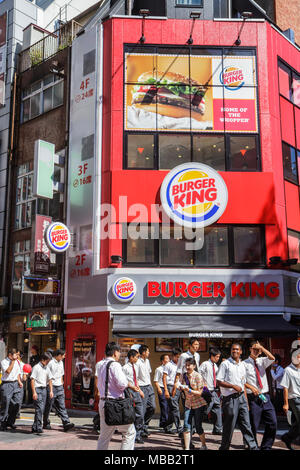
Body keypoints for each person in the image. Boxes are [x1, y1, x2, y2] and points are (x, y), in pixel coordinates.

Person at [216, 343, 258, 450]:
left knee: (246, 424)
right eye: (233, 349)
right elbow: (219, 381)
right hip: (230, 399)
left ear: (241, 352)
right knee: (229, 426)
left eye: (236, 349)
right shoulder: (225, 364)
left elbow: (243, 384)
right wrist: (232, 386)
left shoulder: (242, 365)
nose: (234, 351)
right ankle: (224, 447)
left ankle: (253, 447)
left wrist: (246, 402)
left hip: (241, 398)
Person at [96, 342, 136, 450]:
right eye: (119, 352)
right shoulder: (115, 365)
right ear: (115, 352)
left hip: (104, 403)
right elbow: (122, 384)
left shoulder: (100, 364)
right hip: (116, 405)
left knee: (104, 437)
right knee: (129, 433)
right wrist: (129, 383)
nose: (119, 355)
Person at [244, 340, 277, 450]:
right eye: (254, 349)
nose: (256, 351)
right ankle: (252, 446)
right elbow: (241, 381)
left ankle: (266, 446)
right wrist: (251, 387)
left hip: (265, 396)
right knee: (254, 424)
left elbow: (272, 358)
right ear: (250, 349)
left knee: (273, 422)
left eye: (258, 350)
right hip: (253, 398)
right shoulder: (244, 364)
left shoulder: (262, 361)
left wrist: (262, 348)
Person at [179, 357, 207, 450]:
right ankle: (187, 448)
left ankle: (203, 445)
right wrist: (180, 387)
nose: (187, 367)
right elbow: (179, 385)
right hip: (188, 404)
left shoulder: (198, 376)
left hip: (198, 404)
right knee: (186, 426)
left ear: (194, 366)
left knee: (198, 427)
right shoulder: (183, 376)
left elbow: (200, 392)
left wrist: (189, 390)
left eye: (189, 365)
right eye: (186, 365)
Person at [43, 349, 74, 432]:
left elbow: (61, 375)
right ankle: (45, 422)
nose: (64, 357)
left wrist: (61, 384)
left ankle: (66, 423)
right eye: (63, 355)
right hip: (51, 386)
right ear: (59, 355)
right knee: (48, 406)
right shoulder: (50, 363)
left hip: (59, 387)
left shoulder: (61, 363)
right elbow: (47, 376)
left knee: (62, 406)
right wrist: (50, 389)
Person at [122, 349, 145, 443]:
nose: (137, 358)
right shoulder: (125, 368)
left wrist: (140, 391)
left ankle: (138, 434)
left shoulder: (135, 367)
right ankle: (129, 434)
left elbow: (136, 380)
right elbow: (123, 382)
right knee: (130, 414)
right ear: (131, 357)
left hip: (136, 391)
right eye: (136, 357)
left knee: (140, 413)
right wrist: (129, 393)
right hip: (129, 392)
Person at [199, 347, 223, 435]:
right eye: (217, 357)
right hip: (206, 390)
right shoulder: (205, 364)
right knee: (205, 410)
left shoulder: (215, 366)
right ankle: (194, 427)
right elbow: (199, 375)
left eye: (219, 357)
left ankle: (217, 429)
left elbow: (217, 376)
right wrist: (203, 386)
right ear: (212, 356)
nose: (218, 358)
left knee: (217, 408)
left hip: (213, 390)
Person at [280, 347, 300, 450]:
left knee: (298, 424)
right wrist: (286, 403)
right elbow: (285, 388)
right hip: (295, 399)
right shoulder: (288, 370)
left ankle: (287, 437)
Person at [31, 352, 53, 435]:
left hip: (44, 389)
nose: (48, 363)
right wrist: (34, 392)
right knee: (39, 408)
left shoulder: (46, 368)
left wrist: (51, 391)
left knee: (40, 409)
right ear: (43, 360)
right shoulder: (36, 367)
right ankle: (39, 427)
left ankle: (34, 426)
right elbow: (32, 380)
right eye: (47, 361)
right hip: (37, 389)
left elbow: (50, 379)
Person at [0, 348, 23, 430]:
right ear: (10, 355)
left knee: (17, 404)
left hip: (15, 383)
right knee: (5, 404)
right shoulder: (4, 362)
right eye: (15, 354)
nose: (17, 356)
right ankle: (2, 423)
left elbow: (17, 373)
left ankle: (11, 422)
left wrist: (19, 381)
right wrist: (13, 361)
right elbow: (8, 371)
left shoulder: (17, 362)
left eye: (17, 354)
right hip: (7, 384)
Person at [137, 344, 156, 439]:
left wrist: (151, 386)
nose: (149, 353)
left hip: (149, 386)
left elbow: (148, 374)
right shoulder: (137, 362)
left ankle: (144, 426)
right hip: (142, 387)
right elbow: (135, 377)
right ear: (143, 352)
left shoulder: (147, 361)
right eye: (148, 351)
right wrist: (139, 390)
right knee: (142, 410)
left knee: (152, 407)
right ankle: (139, 432)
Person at [163, 348, 183, 436]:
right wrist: (166, 390)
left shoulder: (181, 365)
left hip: (179, 388)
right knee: (175, 408)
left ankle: (167, 426)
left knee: (172, 409)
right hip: (171, 387)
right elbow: (164, 378)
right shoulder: (168, 365)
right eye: (177, 357)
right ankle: (179, 428)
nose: (178, 359)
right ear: (173, 356)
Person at [154, 354, 174, 434]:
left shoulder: (171, 367)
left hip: (169, 388)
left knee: (169, 407)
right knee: (164, 407)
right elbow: (156, 380)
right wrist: (159, 389)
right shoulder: (159, 369)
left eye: (169, 358)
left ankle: (164, 423)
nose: (168, 360)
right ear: (162, 361)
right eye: (166, 359)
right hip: (162, 388)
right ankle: (166, 426)